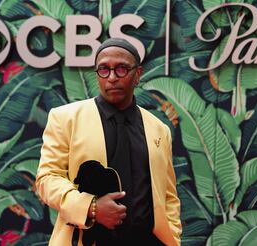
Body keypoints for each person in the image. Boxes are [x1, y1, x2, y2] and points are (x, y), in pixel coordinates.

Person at [36, 38, 181, 246]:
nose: (112, 77)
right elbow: (47, 179)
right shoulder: (65, 118)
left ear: (137, 74)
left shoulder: (159, 129)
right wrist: (91, 207)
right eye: (103, 70)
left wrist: (172, 237)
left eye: (121, 69)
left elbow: (168, 196)